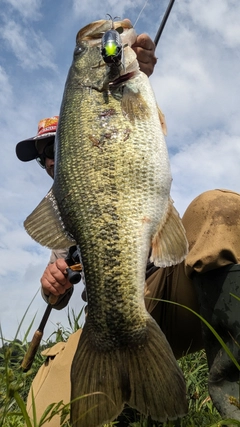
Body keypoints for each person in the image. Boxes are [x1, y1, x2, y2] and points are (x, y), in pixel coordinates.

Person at [16, 31, 240, 427]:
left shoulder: (122, 105)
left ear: (74, 135)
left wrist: (137, 68)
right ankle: (128, 386)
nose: (51, 159)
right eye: (44, 156)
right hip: (103, 317)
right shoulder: (65, 213)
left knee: (220, 211)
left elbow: (132, 112)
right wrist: (51, 290)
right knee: (41, 416)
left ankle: (233, 403)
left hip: (167, 290)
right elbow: (59, 298)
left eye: (55, 146)